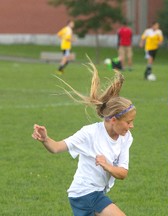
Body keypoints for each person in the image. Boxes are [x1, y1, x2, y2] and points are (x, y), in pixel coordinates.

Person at [32, 60, 136, 216]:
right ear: (113, 120)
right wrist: (45, 139)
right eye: (128, 122)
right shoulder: (90, 133)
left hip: (96, 192)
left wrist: (107, 165)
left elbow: (122, 173)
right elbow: (57, 147)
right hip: (85, 192)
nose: (131, 126)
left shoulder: (126, 137)